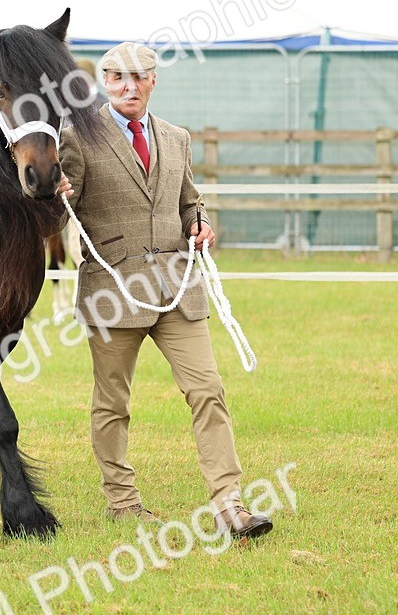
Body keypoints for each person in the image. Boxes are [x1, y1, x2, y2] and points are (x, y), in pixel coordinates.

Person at [56, 42, 273, 539]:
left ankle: (230, 506)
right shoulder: (77, 139)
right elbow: (57, 212)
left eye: (138, 77)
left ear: (153, 81)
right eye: (118, 78)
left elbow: (189, 201)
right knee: (113, 403)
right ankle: (122, 502)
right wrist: (51, 192)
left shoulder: (177, 139)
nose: (128, 86)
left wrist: (200, 223)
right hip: (114, 293)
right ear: (105, 82)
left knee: (208, 390)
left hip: (179, 289)